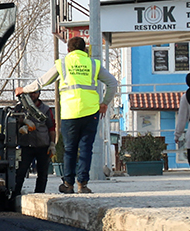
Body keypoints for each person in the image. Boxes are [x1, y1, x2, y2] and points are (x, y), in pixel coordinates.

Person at [18, 36, 118, 194]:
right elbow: (112, 83)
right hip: (91, 112)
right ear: (84, 49)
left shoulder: (63, 64)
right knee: (86, 148)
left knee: (70, 149)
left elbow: (42, 81)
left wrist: (24, 89)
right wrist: (104, 103)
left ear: (69, 50)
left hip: (70, 112)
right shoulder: (93, 64)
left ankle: (68, 184)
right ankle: (83, 184)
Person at [11, 87, 56, 198]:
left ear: (39, 93)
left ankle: (39, 196)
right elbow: (13, 122)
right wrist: (21, 121)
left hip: (43, 145)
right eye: (30, 92)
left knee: (42, 174)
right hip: (26, 145)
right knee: (20, 173)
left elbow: (51, 127)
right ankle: (15, 195)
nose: (33, 95)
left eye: (35, 92)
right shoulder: (20, 107)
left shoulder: (45, 109)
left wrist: (52, 144)